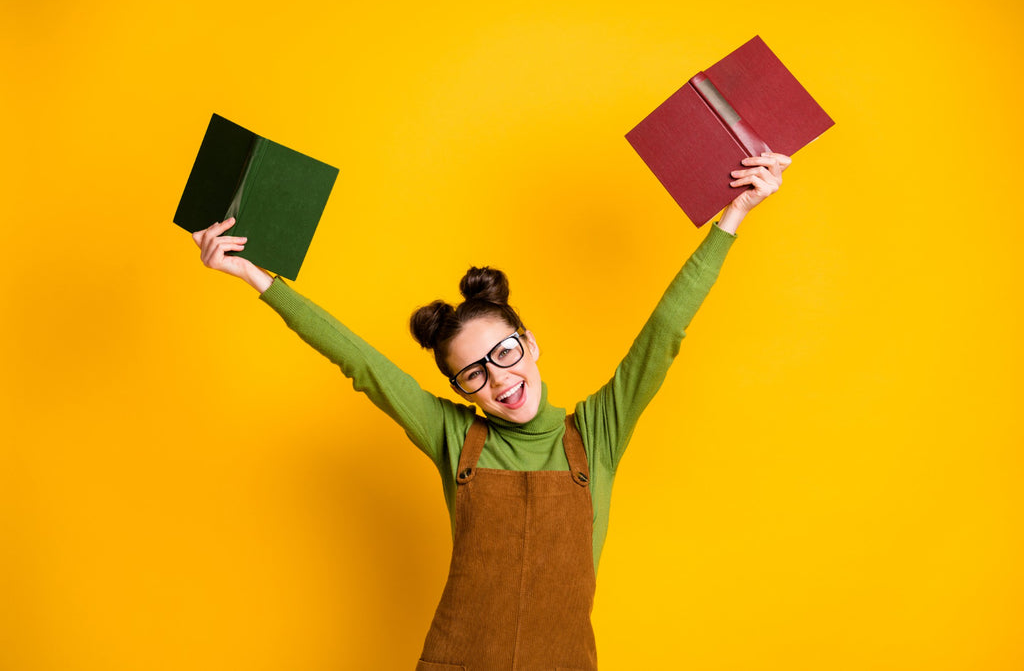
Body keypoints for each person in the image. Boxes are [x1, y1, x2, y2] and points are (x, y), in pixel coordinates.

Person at [192, 152, 791, 670]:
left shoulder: (598, 435)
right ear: (461, 389)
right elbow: (361, 362)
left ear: (530, 344)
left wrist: (732, 217)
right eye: (474, 371)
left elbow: (664, 330)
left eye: (505, 353)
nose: (500, 378)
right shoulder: (454, 438)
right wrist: (253, 276)